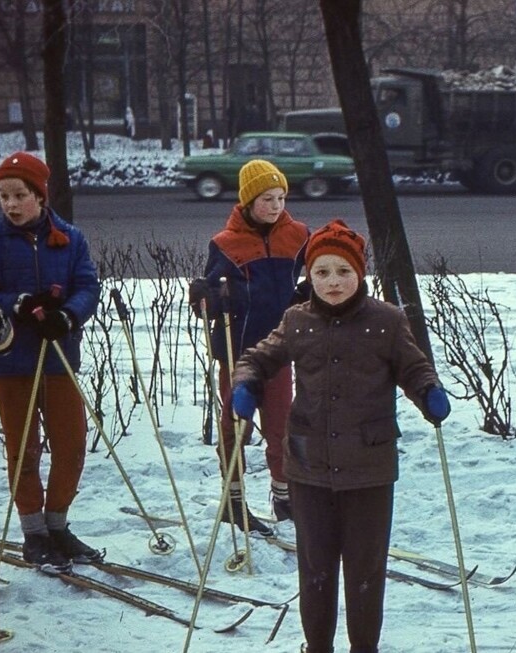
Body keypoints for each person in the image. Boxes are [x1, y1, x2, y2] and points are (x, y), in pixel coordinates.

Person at [231, 219, 450, 653]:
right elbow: (261, 355)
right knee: (315, 568)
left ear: (360, 273)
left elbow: (413, 365)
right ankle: (318, 647)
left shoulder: (386, 321)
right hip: (309, 467)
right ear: (309, 276)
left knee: (366, 570)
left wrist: (428, 391)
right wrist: (247, 381)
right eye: (322, 272)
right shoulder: (297, 320)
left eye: (343, 272)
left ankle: (363, 647)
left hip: (369, 468)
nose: (333, 282)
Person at [0, 152, 103, 573]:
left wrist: (68, 314)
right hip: (10, 361)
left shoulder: (70, 238)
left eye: (20, 195)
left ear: (40, 195)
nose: (11, 204)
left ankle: (58, 525)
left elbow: (87, 284)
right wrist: (15, 304)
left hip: (57, 356)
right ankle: (33, 531)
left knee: (72, 444)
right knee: (24, 450)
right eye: (3, 196)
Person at [188, 159, 309, 534]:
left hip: (279, 350)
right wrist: (206, 297)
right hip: (238, 351)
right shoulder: (225, 244)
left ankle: (283, 495)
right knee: (235, 427)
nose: (275, 206)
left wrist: (307, 293)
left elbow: (321, 270)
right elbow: (206, 301)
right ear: (247, 201)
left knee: (281, 427)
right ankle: (233, 499)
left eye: (281, 198)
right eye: (267, 199)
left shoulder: (299, 235)